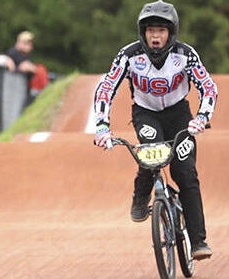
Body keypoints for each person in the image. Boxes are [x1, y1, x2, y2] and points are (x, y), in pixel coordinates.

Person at [93, 0, 216, 260]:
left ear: (171, 33)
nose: (155, 36)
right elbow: (106, 88)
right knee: (152, 154)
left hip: (179, 114)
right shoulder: (129, 54)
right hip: (146, 113)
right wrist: (102, 126)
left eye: (161, 31)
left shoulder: (185, 54)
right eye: (150, 31)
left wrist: (202, 117)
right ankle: (141, 196)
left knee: (185, 173)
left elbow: (209, 87)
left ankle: (198, 241)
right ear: (143, 32)